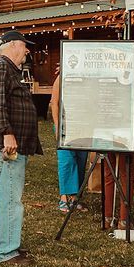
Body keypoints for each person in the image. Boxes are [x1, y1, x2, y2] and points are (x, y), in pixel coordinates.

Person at [0, 31, 43, 266]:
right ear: (13, 46)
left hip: (13, 146)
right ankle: (6, 252)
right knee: (9, 199)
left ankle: (9, 243)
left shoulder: (9, 70)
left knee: (10, 197)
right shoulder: (2, 68)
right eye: (24, 46)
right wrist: (7, 134)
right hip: (6, 148)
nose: (27, 51)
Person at [50, 69, 87, 213]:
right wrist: (57, 126)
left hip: (83, 126)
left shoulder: (86, 76)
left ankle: (75, 197)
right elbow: (55, 103)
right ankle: (64, 197)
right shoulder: (61, 76)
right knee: (66, 160)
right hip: (65, 126)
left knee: (80, 160)